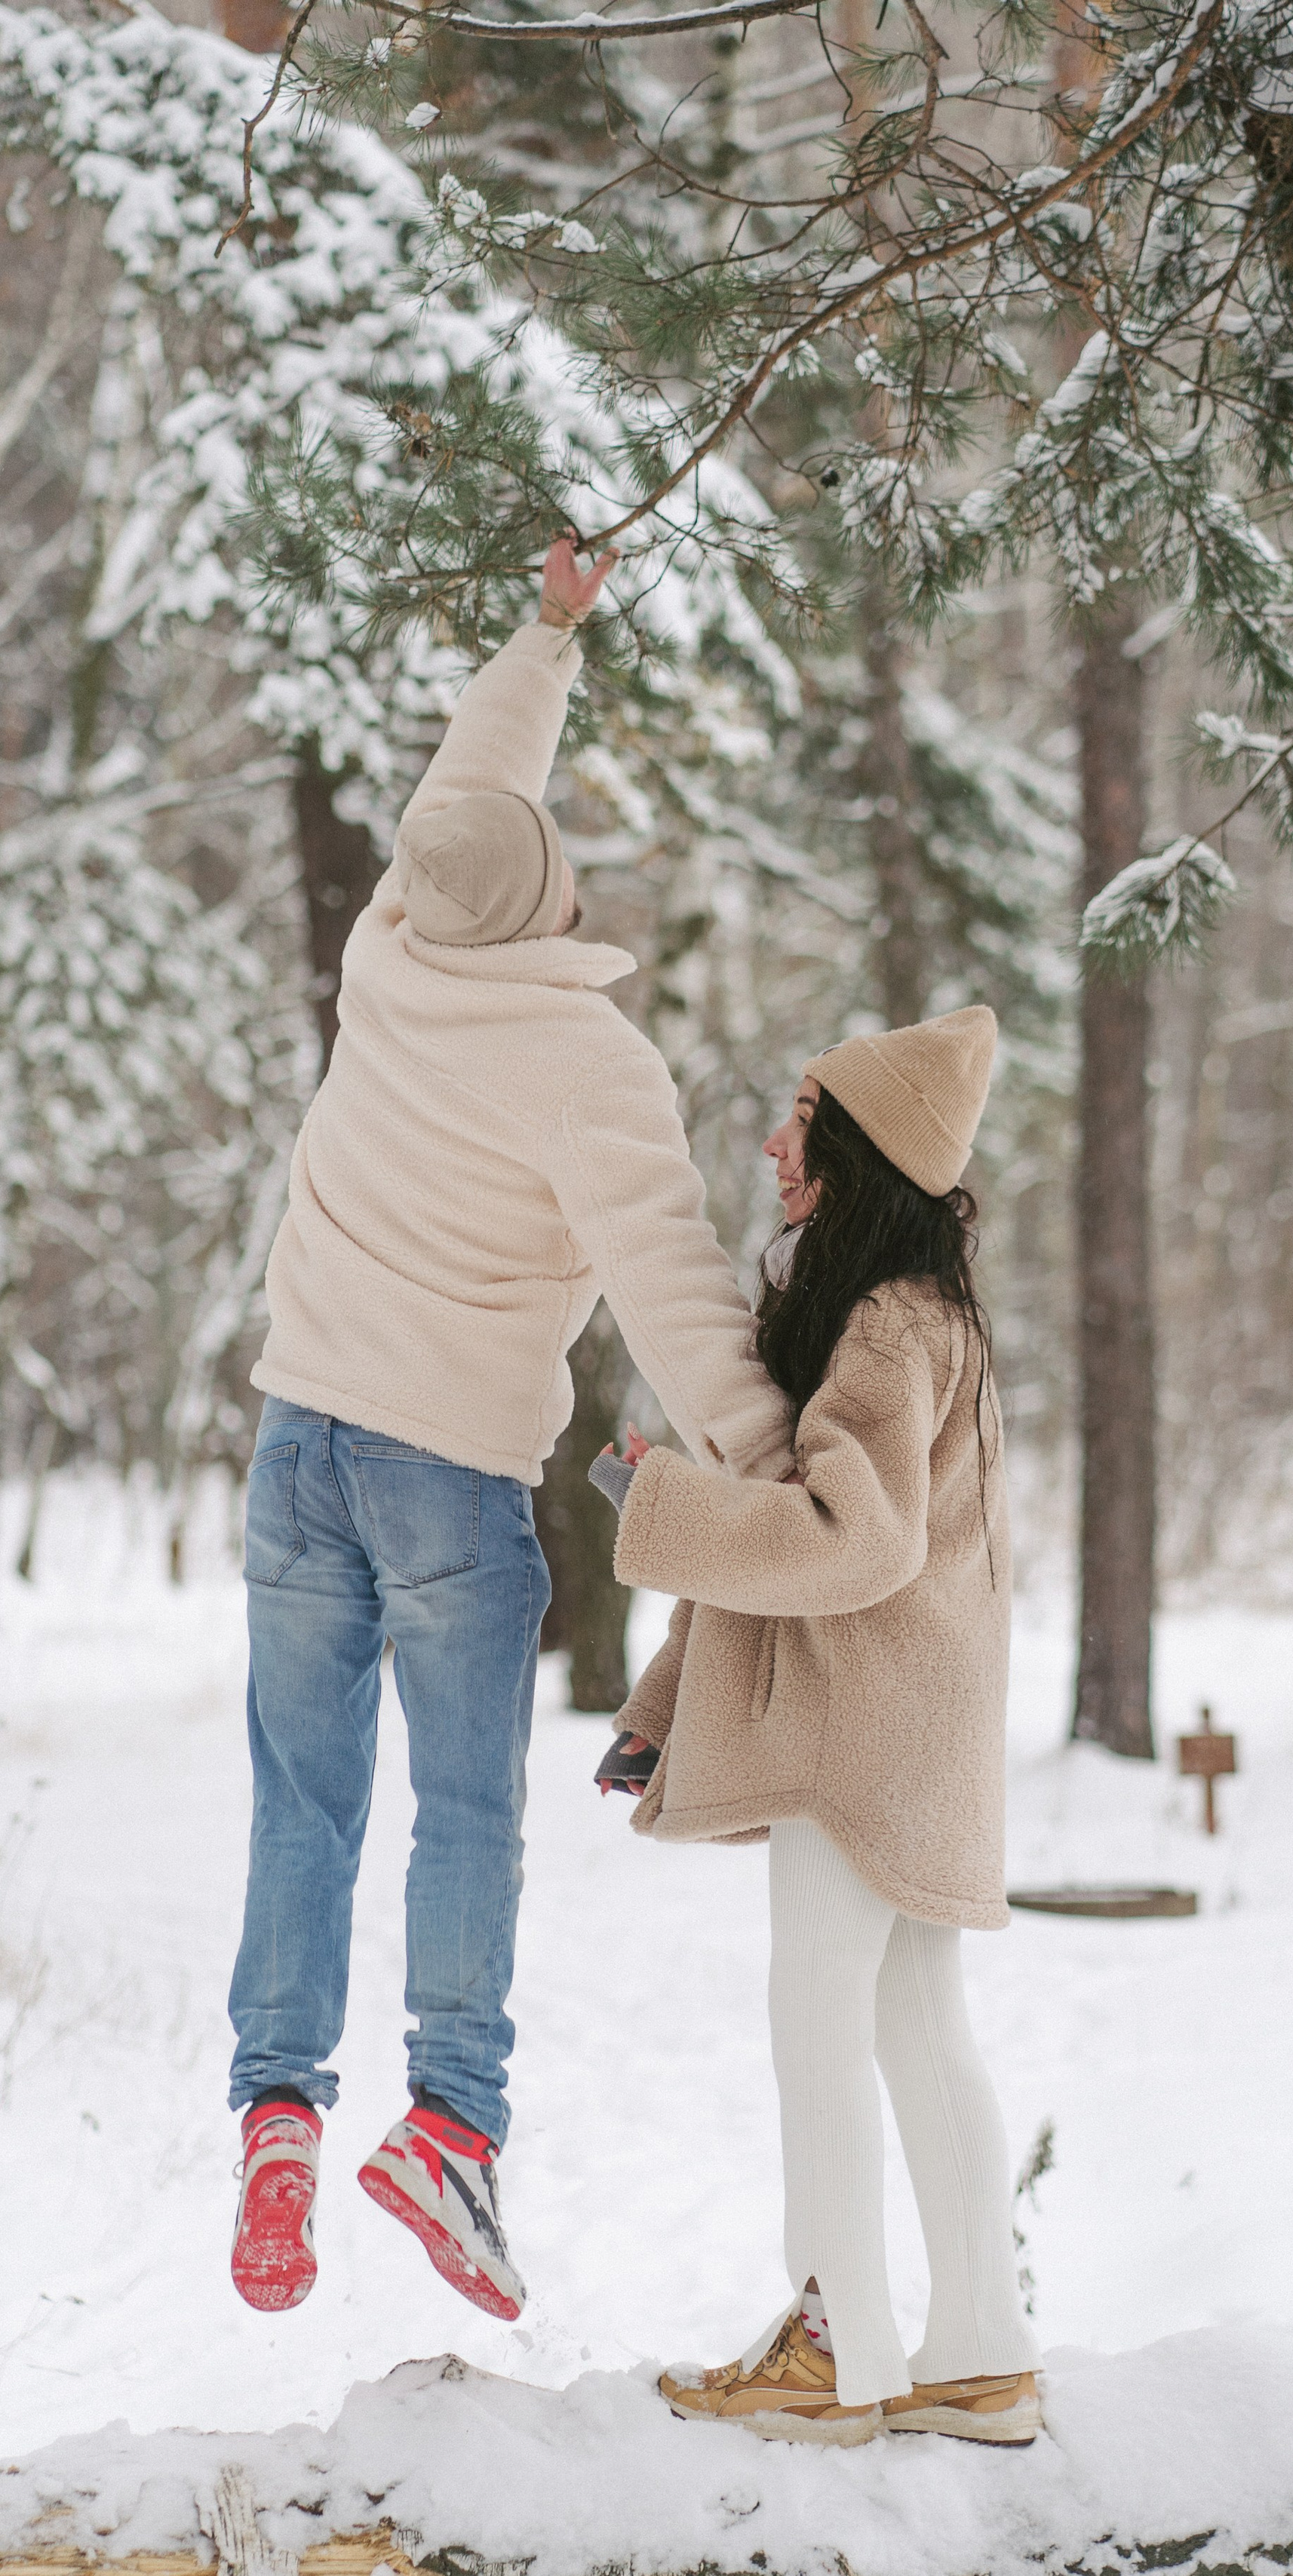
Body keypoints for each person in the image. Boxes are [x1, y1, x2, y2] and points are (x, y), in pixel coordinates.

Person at [227, 539, 795, 2329]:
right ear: (557, 896)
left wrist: (547, 627)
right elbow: (673, 1291)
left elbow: (470, 790)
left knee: (302, 1804)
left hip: (294, 1445)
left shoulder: (386, 948)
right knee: (464, 1813)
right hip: (443, 1479)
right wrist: (781, 1463)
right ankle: (450, 2136)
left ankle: (272, 2114)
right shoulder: (586, 1065)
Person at [590, 1006, 1041, 2446]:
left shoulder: (891, 1328)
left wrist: (653, 1500)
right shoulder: (924, 1319)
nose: (778, 1144)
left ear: (861, 1158)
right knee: (918, 2032)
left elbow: (850, 1543)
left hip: (860, 1745)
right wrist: (666, 1705)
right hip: (915, 1735)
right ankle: (981, 2354)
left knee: (820, 2030)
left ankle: (834, 2346)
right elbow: (786, 1567)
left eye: (804, 1122)